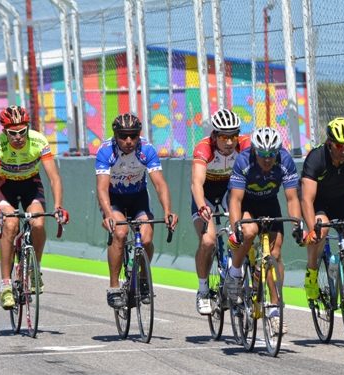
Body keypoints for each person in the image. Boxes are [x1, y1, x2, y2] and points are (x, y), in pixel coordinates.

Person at [0, 105, 69, 309]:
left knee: (38, 223)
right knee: (11, 224)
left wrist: (58, 206)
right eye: (13, 133)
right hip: (5, 187)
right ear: (4, 131)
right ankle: (5, 285)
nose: (18, 137)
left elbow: (54, 178)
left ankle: (33, 269)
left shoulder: (38, 141)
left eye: (22, 131)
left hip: (31, 184)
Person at [226, 127, 305, 335]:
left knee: (275, 253)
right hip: (247, 205)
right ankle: (234, 272)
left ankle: (275, 310)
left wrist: (297, 224)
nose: (268, 159)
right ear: (254, 151)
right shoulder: (243, 161)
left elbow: (292, 198)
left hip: (270, 204)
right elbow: (235, 199)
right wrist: (236, 229)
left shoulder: (285, 161)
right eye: (263, 154)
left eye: (272, 154)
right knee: (249, 232)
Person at [95, 112, 179, 308]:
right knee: (120, 233)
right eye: (124, 136)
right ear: (116, 136)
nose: (129, 140)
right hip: (114, 199)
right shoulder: (106, 151)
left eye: (133, 135)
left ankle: (142, 278)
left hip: (138, 197)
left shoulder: (147, 150)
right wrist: (108, 215)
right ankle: (114, 287)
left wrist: (168, 210)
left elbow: (159, 184)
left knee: (147, 237)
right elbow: (101, 188)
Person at [300, 117, 344, 323]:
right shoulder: (316, 158)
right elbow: (307, 199)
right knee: (321, 232)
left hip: (343, 199)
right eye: (339, 145)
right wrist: (312, 230)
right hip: (319, 202)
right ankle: (311, 272)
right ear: (329, 143)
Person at [191, 108, 250, 315]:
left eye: (233, 136)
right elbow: (197, 183)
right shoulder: (203, 148)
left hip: (229, 191)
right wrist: (201, 206)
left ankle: (238, 274)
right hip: (205, 193)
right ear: (215, 136)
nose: (229, 142)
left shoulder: (245, 145)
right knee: (208, 241)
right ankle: (203, 289)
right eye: (224, 137)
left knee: (244, 231)